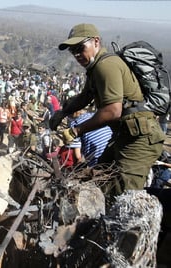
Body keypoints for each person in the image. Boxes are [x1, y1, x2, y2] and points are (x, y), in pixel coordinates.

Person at [50, 23, 165, 195]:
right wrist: (63, 112)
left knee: (124, 197)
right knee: (99, 181)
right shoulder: (95, 68)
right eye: (72, 51)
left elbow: (113, 111)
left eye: (80, 48)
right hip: (124, 136)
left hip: (139, 139)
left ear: (96, 42)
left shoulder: (106, 65)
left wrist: (76, 130)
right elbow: (85, 96)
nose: (77, 54)